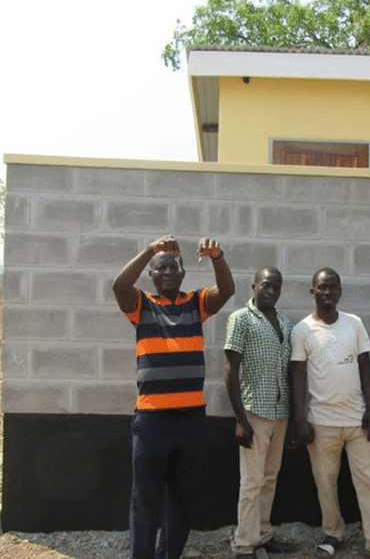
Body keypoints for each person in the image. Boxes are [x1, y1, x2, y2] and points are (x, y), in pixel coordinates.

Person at [113, 235, 234, 559]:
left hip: (191, 421)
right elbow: (119, 286)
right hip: (152, 421)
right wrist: (150, 250)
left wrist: (217, 257)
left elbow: (226, 291)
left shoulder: (196, 302)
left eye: (173, 266)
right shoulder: (141, 305)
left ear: (182, 274)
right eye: (160, 267)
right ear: (151, 275)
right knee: (144, 501)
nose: (167, 271)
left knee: (182, 501)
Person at [290, 268, 370, 559]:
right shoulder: (302, 330)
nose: (328, 293)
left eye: (333, 287)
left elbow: (365, 367)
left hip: (358, 421)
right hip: (321, 422)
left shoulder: (354, 324)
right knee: (326, 482)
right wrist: (300, 420)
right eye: (322, 288)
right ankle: (333, 534)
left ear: (340, 292)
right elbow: (297, 376)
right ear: (313, 292)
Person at [224, 267, 298, 559]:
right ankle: (243, 544)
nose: (271, 292)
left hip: (280, 413)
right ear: (254, 286)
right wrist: (240, 419)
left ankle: (263, 535)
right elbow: (231, 370)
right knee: (252, 482)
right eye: (266, 286)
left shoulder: (285, 323)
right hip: (254, 412)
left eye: (276, 288)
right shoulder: (240, 319)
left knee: (270, 478)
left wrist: (292, 418)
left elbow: (290, 373)